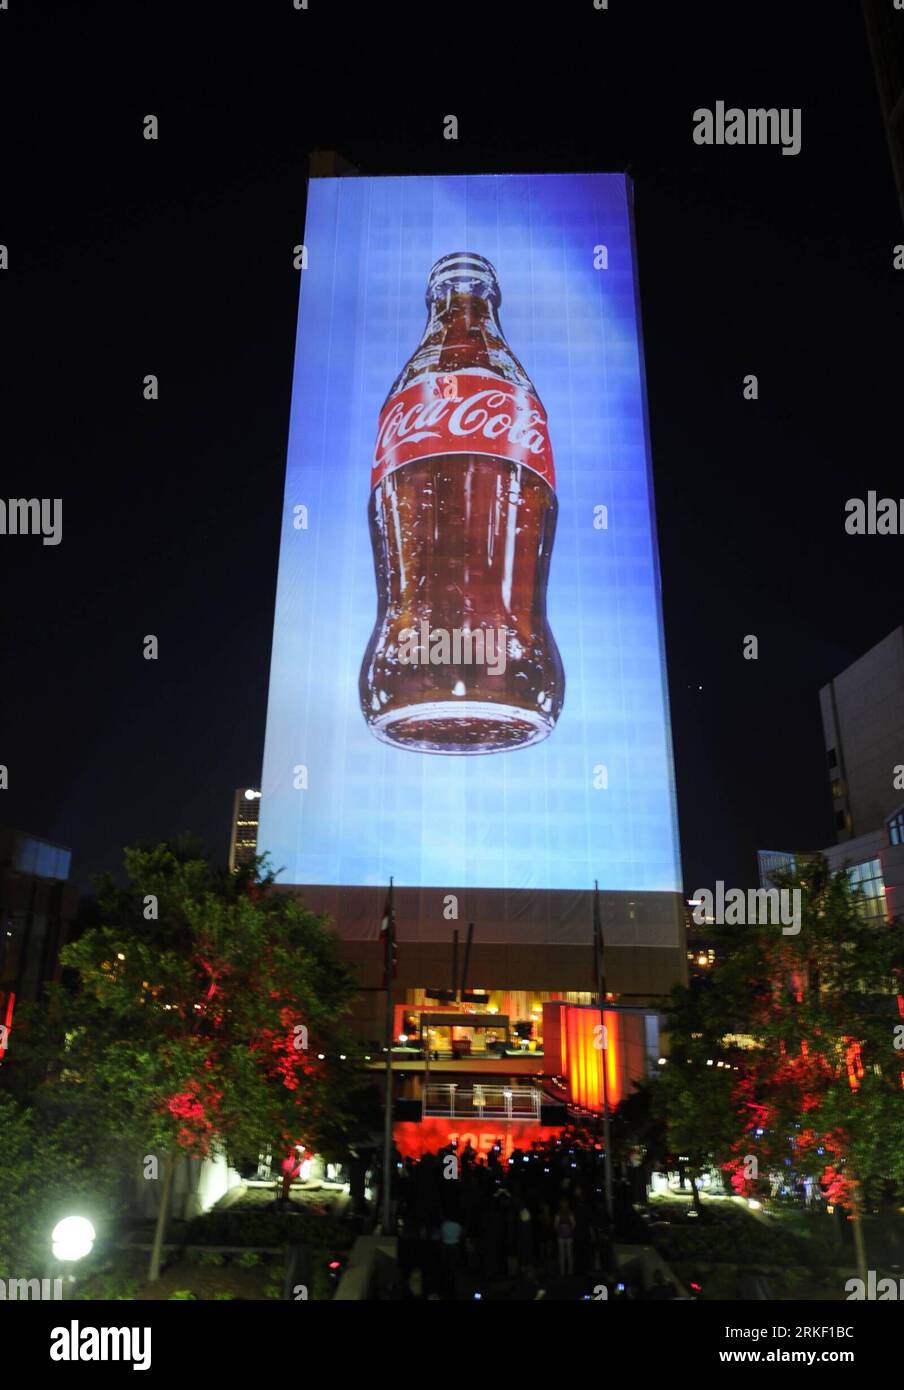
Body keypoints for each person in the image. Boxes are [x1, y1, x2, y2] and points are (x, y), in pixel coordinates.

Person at [556, 1199, 575, 1276]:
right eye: (563, 1203)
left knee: (568, 1254)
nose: (564, 1205)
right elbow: (556, 1224)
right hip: (562, 1236)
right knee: (563, 1255)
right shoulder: (559, 1212)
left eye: (565, 1203)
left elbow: (573, 1223)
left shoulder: (569, 1212)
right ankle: (563, 1271)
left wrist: (568, 1230)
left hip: (567, 1236)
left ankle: (569, 1271)